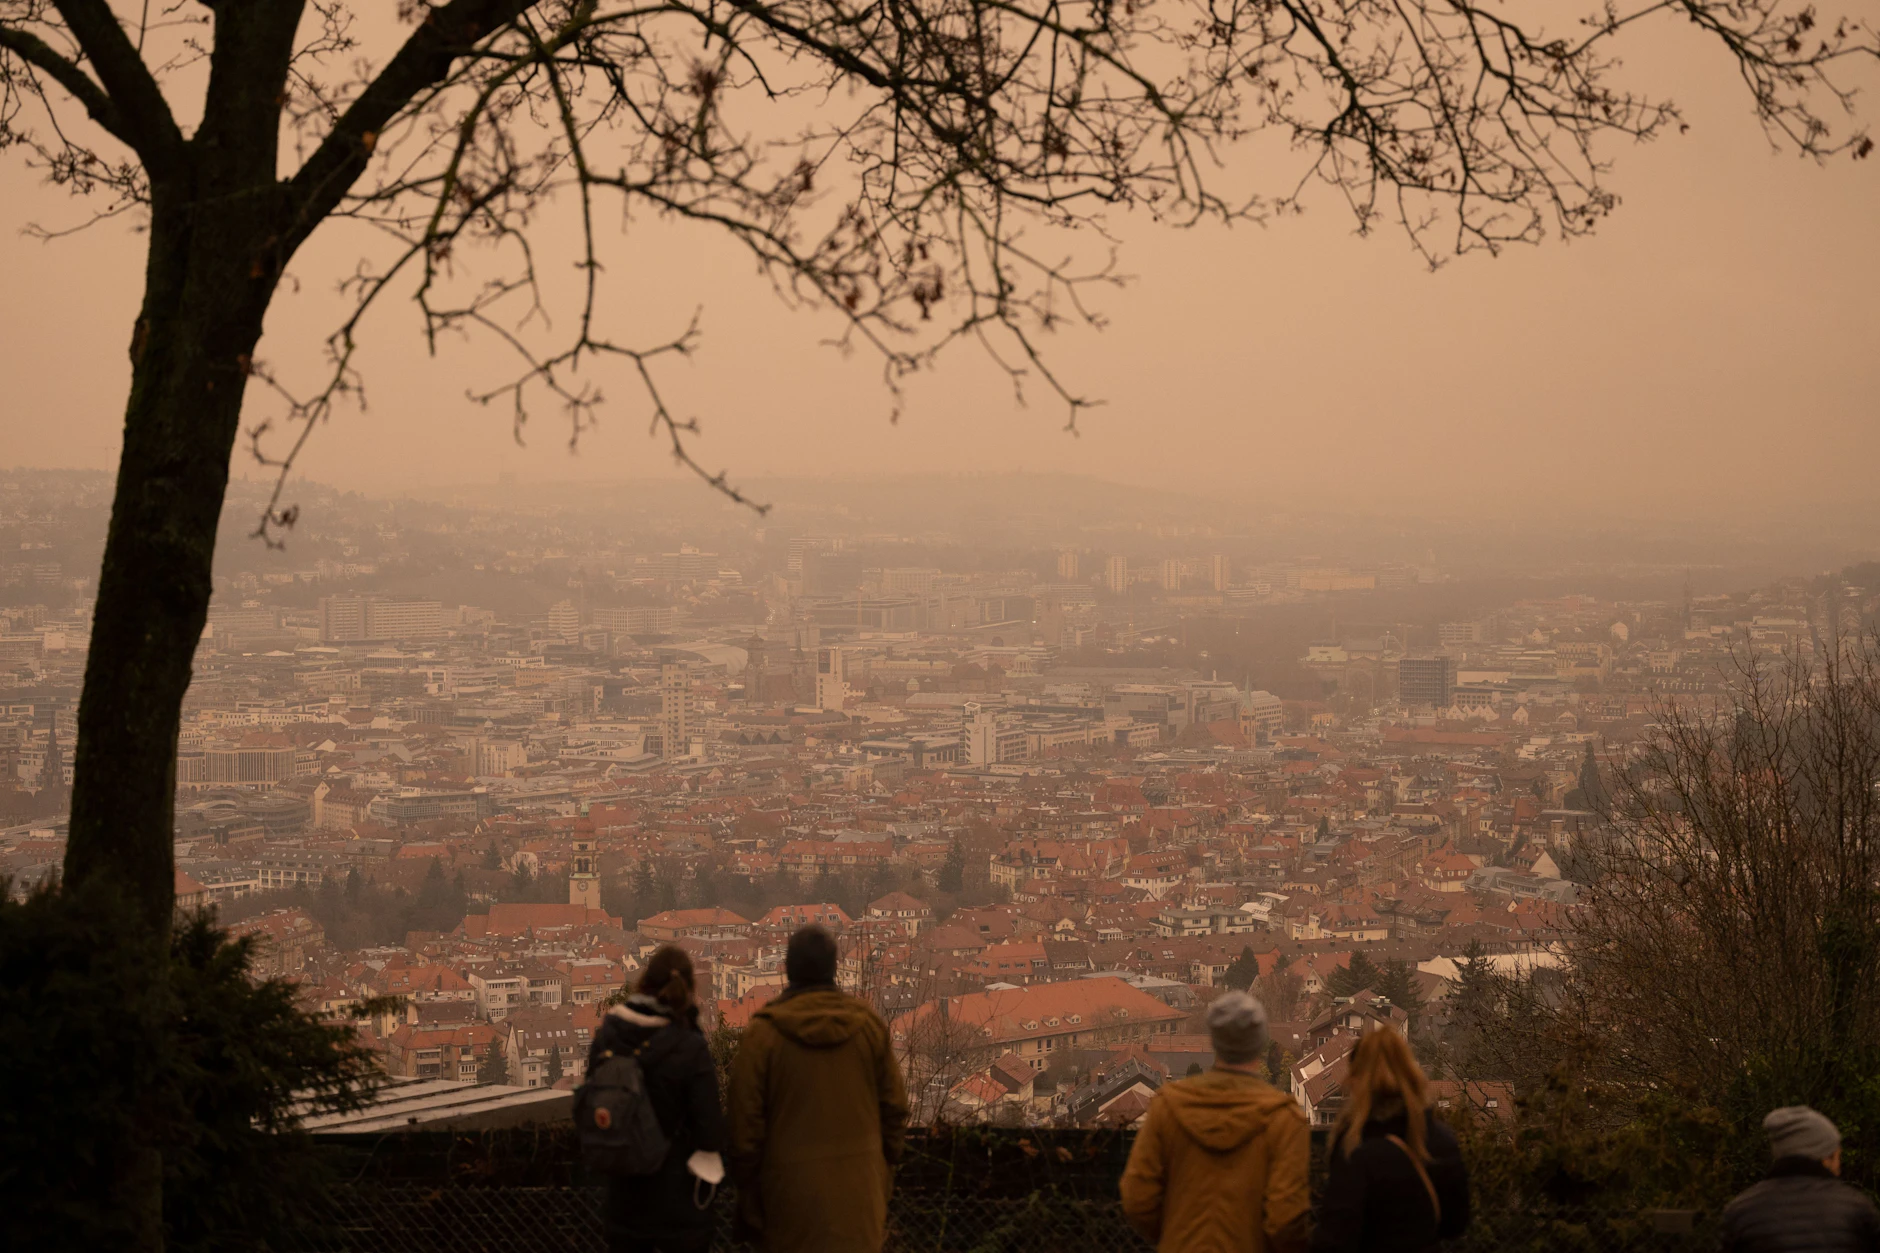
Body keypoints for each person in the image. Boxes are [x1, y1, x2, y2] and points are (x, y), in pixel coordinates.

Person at [726, 925, 910, 1253]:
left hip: (787, 1202)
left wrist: (750, 1192)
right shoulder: (868, 1027)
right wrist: (881, 1173)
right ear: (834, 967)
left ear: (787, 968)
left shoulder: (764, 1035)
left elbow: (744, 1128)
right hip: (860, 1199)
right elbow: (895, 1110)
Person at [1120, 991, 1312, 1253]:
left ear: (1214, 1041)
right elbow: (1286, 1219)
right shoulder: (1284, 1119)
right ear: (1260, 1043)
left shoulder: (1169, 1106)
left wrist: (1173, 1235)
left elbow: (1137, 1198)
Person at [585, 945, 726, 1253]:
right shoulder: (689, 1046)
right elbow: (710, 1131)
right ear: (688, 988)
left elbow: (591, 1098)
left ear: (644, 982)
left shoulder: (610, 1033)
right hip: (677, 1200)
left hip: (623, 1192)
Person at [1312, 1029, 1470, 1253]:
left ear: (1357, 1080)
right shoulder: (1442, 1141)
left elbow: (1335, 1236)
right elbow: (1455, 1224)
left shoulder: (1356, 1147)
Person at [1721, 1106, 1880, 1253]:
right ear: (1825, 1157)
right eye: (1837, 1155)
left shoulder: (1740, 1213)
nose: (1839, 1166)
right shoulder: (1857, 1208)